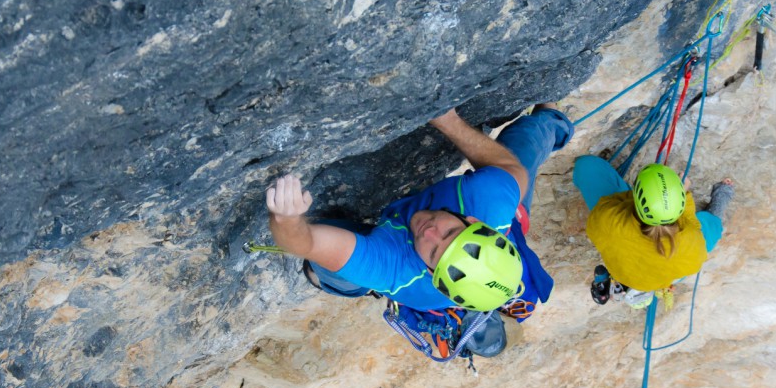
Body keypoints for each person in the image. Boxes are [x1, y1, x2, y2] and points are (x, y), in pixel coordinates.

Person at [265, 104, 575, 353]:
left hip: (389, 254)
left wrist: (287, 220)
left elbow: (306, 242)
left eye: (435, 252)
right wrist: (446, 117)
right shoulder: (490, 202)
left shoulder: (401, 273)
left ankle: (333, 282)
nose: (429, 233)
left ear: (429, 272)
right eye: (450, 233)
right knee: (531, 138)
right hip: (487, 212)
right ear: (473, 222)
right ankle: (557, 122)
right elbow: (513, 169)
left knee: (326, 265)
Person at [572, 155, 734, 304]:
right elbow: (692, 223)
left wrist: (637, 198)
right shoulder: (693, 246)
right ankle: (721, 197)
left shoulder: (609, 220)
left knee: (586, 166)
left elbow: (606, 208)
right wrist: (682, 195)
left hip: (630, 273)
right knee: (711, 231)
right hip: (663, 274)